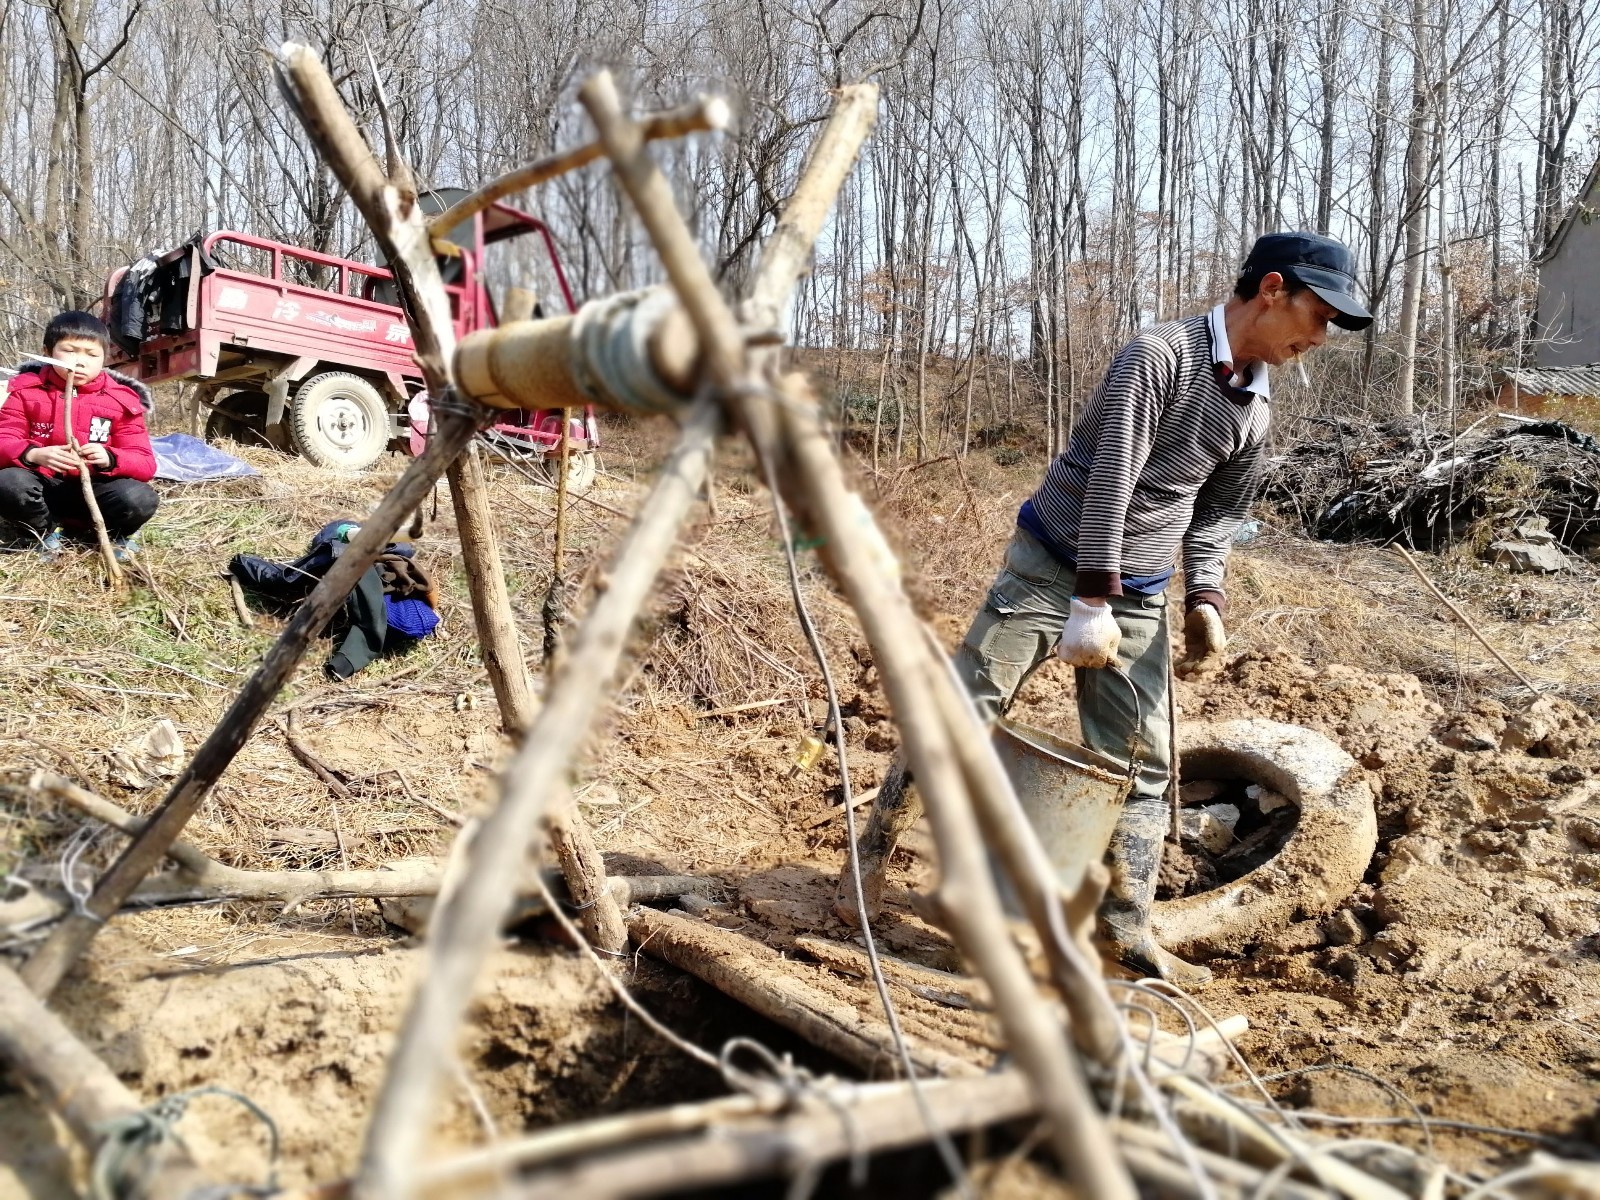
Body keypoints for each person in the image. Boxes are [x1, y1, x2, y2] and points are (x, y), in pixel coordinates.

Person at [835, 232, 1374, 985]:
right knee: (965, 709)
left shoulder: (1254, 411)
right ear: (1274, 289)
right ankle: (862, 875)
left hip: (1142, 587)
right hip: (1057, 559)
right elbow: (1111, 477)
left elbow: (1214, 516)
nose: (1320, 339)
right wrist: (1089, 597)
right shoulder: (1159, 356)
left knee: (1144, 763)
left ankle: (1126, 934)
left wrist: (1205, 597)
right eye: (1319, 316)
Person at [0, 310, 158, 561]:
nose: (80, 362)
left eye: (92, 354)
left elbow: (145, 463)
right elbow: (4, 439)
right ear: (47, 352)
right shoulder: (24, 391)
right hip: (43, 489)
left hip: (96, 490)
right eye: (69, 351)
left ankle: (114, 535)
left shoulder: (122, 400)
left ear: (104, 358)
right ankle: (43, 532)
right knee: (7, 483)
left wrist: (110, 458)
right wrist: (32, 454)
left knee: (140, 497)